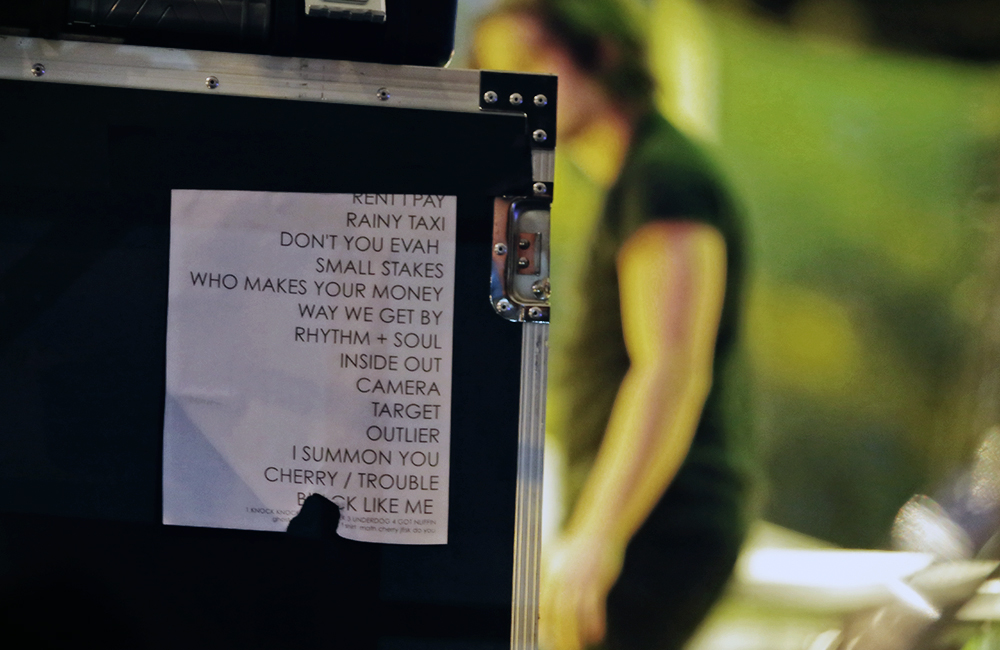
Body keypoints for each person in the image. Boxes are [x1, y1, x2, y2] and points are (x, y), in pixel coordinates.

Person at [475, 3, 751, 649]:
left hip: (661, 526)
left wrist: (599, 536)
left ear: (602, 51)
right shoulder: (635, 180)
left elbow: (671, 369)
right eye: (498, 72)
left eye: (532, 62)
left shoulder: (665, 177)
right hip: (643, 521)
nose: (520, 90)